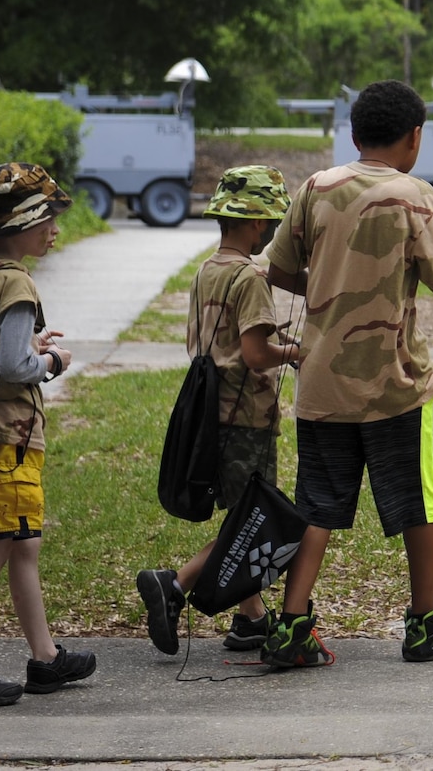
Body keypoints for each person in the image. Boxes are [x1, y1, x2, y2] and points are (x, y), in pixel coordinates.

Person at [260, 80, 433, 668]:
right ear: (415, 137)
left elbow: (277, 268)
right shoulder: (416, 195)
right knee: (417, 502)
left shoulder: (315, 187)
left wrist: (331, 287)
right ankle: (427, 621)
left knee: (317, 504)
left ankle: (291, 626)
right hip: (395, 384)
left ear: (353, 135)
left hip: (321, 381)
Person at [135, 165, 303, 656]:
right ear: (255, 224)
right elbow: (254, 355)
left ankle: (250, 620)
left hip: (213, 413)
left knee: (242, 515)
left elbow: (228, 339)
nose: (271, 230)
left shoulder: (209, 267)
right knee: (253, 521)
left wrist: (278, 341)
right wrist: (296, 353)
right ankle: (175, 583)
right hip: (245, 415)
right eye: (270, 221)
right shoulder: (251, 276)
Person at [0, 164, 93, 706]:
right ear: (20, 223)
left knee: (24, 544)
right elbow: (15, 363)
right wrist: (51, 358)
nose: (54, 230)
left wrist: (27, 345)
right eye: (47, 218)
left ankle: (45, 658)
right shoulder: (16, 279)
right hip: (9, 439)